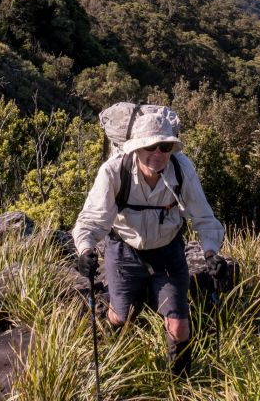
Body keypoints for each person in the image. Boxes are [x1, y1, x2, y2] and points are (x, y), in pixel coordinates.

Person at [72, 110, 226, 377]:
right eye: (149, 146)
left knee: (179, 327)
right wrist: (85, 250)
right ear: (136, 148)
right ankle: (114, 355)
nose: (157, 153)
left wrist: (211, 253)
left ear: (171, 147)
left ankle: (180, 383)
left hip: (168, 253)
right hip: (123, 251)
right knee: (121, 316)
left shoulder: (181, 169)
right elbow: (92, 219)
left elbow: (204, 216)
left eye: (164, 146)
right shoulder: (114, 171)